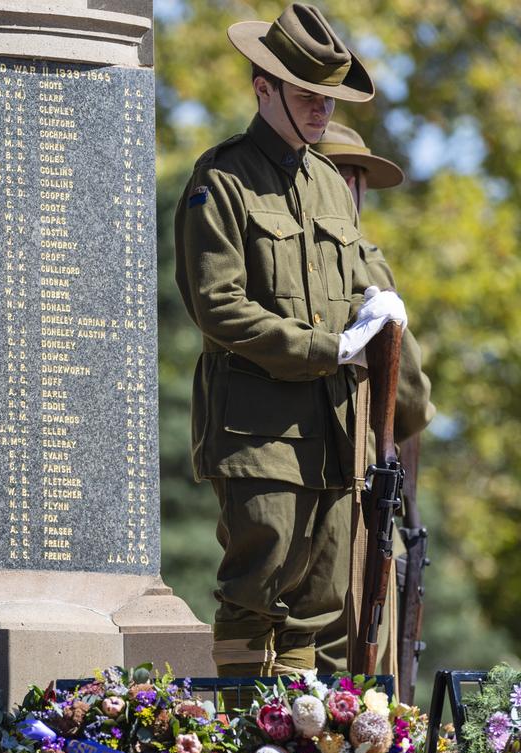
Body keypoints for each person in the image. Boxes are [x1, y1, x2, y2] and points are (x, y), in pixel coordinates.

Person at [173, 3, 408, 678]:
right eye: (307, 94)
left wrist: (385, 302)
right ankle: (245, 735)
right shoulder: (222, 180)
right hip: (259, 434)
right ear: (263, 88)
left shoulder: (331, 187)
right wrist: (325, 349)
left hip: (333, 432)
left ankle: (297, 741)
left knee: (319, 600)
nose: (320, 110)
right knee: (258, 587)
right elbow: (218, 306)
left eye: (327, 98)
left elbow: (367, 281)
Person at [311, 121, 436, 673]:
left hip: (285, 472)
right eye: (351, 177)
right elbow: (409, 397)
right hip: (358, 477)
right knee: (365, 658)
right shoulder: (362, 257)